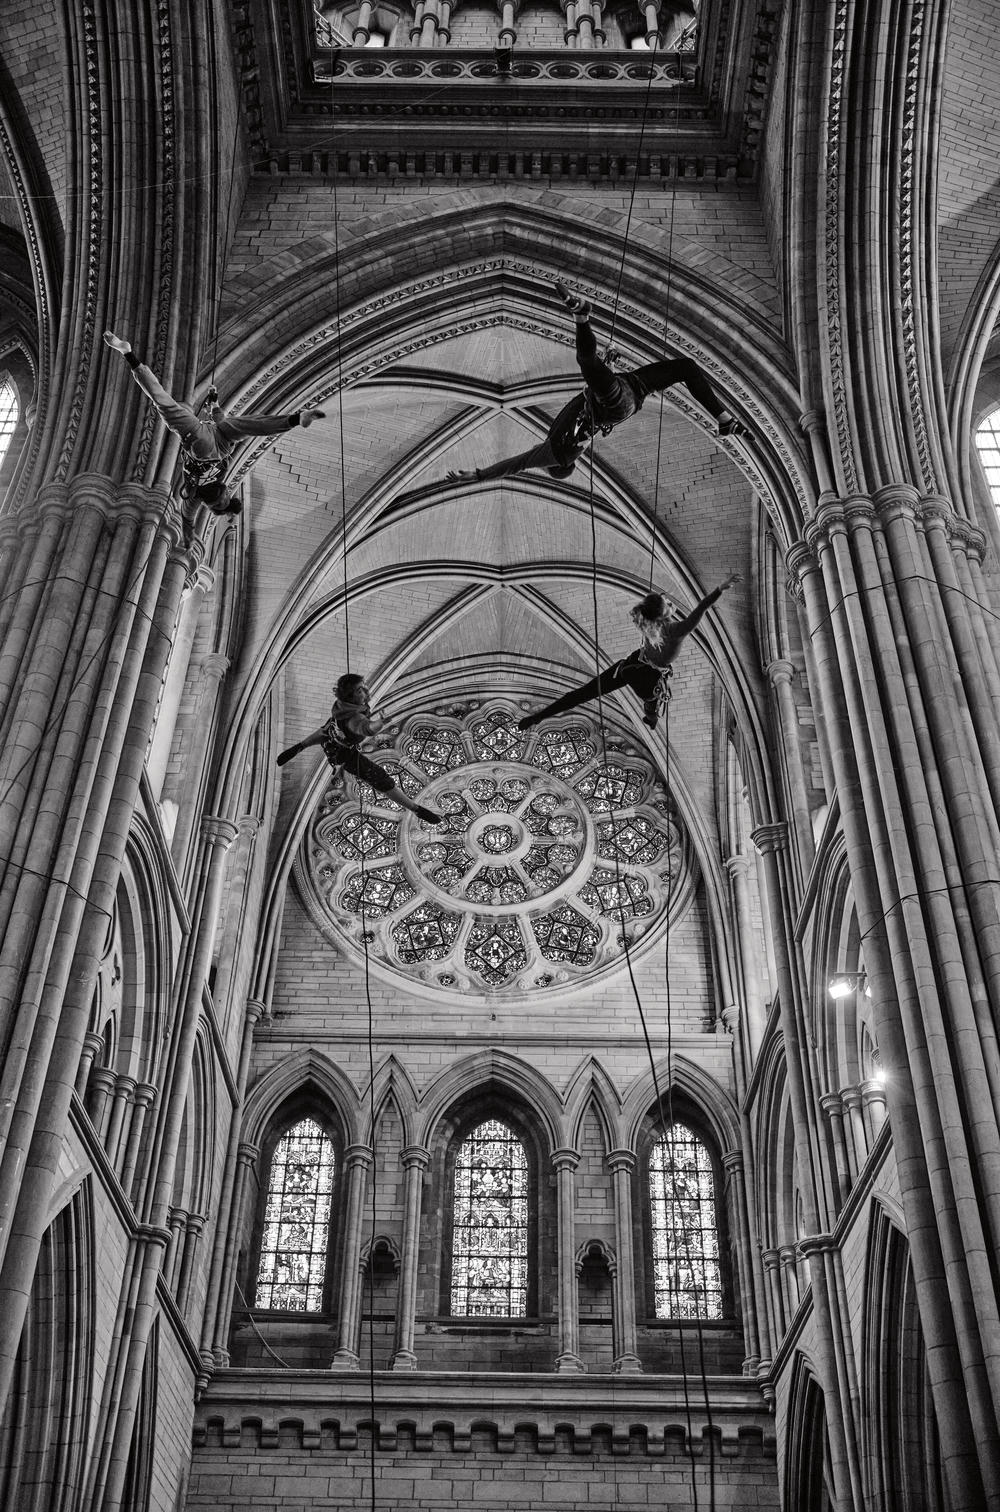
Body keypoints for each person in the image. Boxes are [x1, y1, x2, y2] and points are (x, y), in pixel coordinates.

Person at [448, 282, 742, 485]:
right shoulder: (558, 454)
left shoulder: (567, 439)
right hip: (616, 403)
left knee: (686, 368)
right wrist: (478, 476)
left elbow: (594, 392)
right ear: (557, 467)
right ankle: (581, 317)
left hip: (628, 390)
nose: (541, 458)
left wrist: (609, 362)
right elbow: (516, 464)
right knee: (587, 364)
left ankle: (724, 420)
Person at [103, 330, 325, 524]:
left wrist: (188, 536)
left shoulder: (195, 496)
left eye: (218, 505)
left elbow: (187, 517)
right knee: (244, 425)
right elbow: (220, 420)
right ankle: (296, 419)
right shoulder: (221, 481)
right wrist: (215, 400)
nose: (221, 500)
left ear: (210, 506)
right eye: (225, 500)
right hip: (221, 444)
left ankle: (128, 353)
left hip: (202, 447)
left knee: (164, 404)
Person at [518, 573, 740, 732]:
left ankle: (537, 717)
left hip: (631, 666)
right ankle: (651, 715)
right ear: (664, 612)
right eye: (669, 603)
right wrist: (720, 589)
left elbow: (657, 608)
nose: (672, 604)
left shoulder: (648, 624)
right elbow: (701, 608)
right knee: (650, 700)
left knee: (584, 693)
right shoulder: (675, 631)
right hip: (645, 677)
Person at [276, 673, 443, 823]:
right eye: (359, 690)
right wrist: (381, 722)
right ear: (351, 696)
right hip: (345, 754)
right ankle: (415, 809)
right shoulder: (354, 718)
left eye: (364, 686)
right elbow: (366, 728)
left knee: (327, 731)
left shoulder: (342, 706)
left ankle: (300, 746)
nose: (365, 690)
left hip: (333, 738)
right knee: (382, 780)